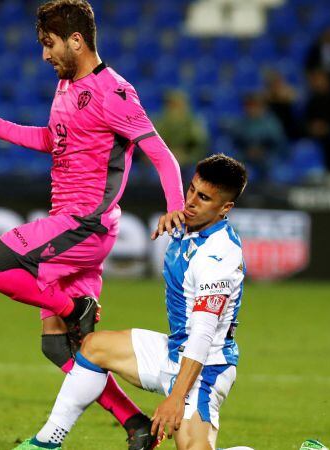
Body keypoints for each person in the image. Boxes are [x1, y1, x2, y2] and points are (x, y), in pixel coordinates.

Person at [0, 1, 185, 448]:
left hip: (84, 225)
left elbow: (161, 153)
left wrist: (174, 206)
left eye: (49, 44)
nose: (44, 55)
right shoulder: (66, 85)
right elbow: (52, 139)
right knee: (62, 348)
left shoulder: (113, 92)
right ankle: (137, 425)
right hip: (75, 225)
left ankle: (69, 308)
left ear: (76, 40)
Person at [14, 154, 248, 450]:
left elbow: (202, 334)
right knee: (94, 347)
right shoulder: (188, 224)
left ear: (225, 208)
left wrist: (175, 397)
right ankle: (46, 442)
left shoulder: (220, 257)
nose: (190, 202)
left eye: (203, 198)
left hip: (205, 368)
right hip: (173, 351)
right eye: (191, 190)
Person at [231, 93, 286, 180]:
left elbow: (279, 143)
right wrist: (247, 152)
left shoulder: (271, 123)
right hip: (246, 157)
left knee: (274, 170)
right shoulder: (240, 123)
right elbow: (235, 143)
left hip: (268, 157)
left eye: (255, 106)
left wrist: (263, 152)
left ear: (262, 107)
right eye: (249, 106)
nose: (252, 109)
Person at [153, 90, 210, 170]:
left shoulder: (193, 123)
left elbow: (199, 146)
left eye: (176, 105)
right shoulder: (161, 122)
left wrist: (186, 157)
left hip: (188, 163)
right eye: (170, 106)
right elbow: (153, 144)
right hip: (164, 159)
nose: (172, 109)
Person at [304, 69, 330, 172]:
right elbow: (307, 118)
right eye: (316, 80)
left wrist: (326, 127)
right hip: (314, 131)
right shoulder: (312, 99)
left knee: (328, 139)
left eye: (320, 80)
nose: (318, 83)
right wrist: (313, 127)